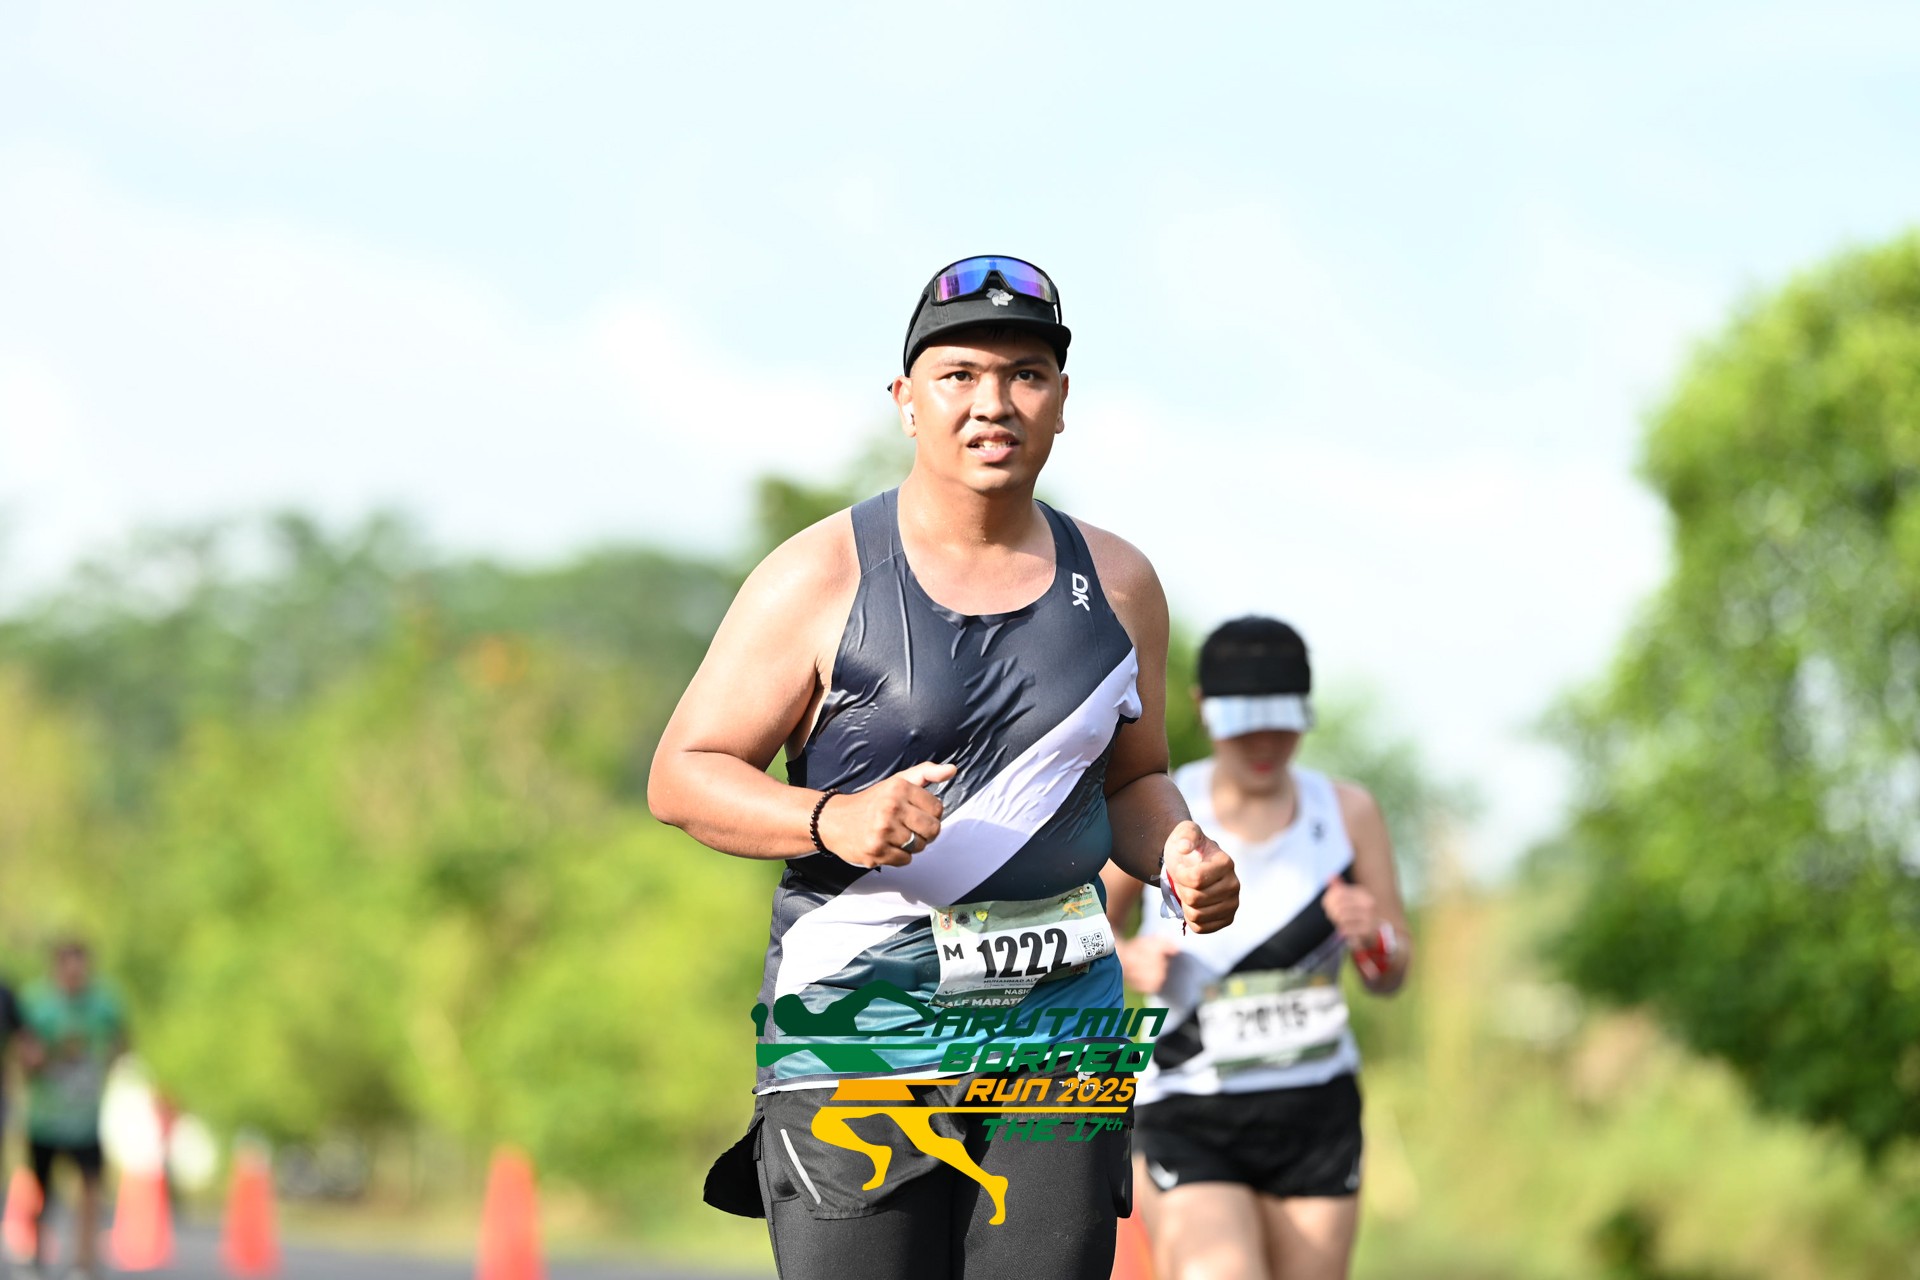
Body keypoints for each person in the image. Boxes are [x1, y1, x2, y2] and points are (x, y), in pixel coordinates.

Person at [648, 254, 1241, 1280]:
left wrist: (1180, 849)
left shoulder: (1121, 583)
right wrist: (831, 818)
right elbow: (683, 773)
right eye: (959, 374)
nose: (992, 403)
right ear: (906, 400)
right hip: (855, 1028)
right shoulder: (821, 573)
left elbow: (1133, 780)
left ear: (1062, 402)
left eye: (1025, 375)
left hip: (1057, 1032)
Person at [1101, 618, 1412, 1280]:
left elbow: (1391, 971)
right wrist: (1127, 958)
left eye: (1282, 723)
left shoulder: (1349, 811)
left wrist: (1373, 939)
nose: (1265, 743)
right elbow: (1086, 924)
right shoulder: (1161, 809)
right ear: (1203, 709)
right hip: (1189, 1102)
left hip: (1315, 1108)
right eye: (1246, 724)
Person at [18, 940, 128, 1280]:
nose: (74, 979)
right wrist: (51, 1054)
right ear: (56, 969)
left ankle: (84, 1263)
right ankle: (35, 1257)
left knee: (91, 1189)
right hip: (45, 1118)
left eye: (80, 972)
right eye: (68, 973)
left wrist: (106, 1060)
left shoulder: (104, 1003)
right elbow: (24, 1055)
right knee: (41, 1191)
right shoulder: (37, 1004)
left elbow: (122, 1041)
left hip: (85, 1119)